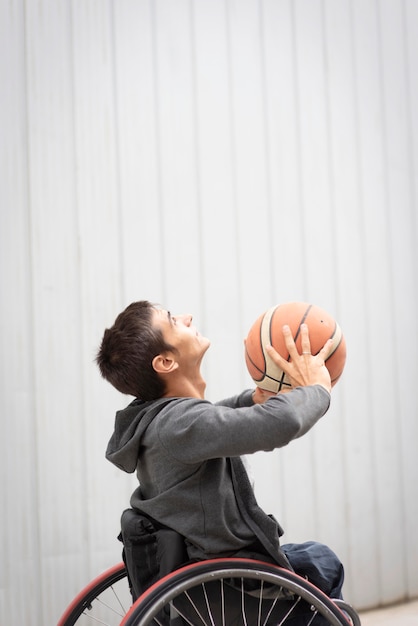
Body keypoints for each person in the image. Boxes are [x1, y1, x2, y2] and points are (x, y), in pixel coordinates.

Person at [96, 300, 344, 604]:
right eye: (173, 321)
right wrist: (317, 389)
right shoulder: (177, 425)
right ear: (165, 363)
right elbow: (280, 423)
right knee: (323, 562)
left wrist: (255, 399)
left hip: (202, 582)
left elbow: (215, 422)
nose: (187, 316)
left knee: (311, 558)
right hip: (231, 586)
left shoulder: (162, 423)